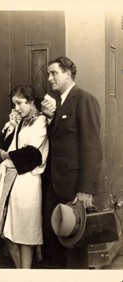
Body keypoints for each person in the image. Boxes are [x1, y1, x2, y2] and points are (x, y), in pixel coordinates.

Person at [41, 56, 103, 268]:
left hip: (74, 187)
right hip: (55, 185)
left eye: (54, 73)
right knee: (55, 238)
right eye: (49, 74)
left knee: (75, 243)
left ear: (68, 74)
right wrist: (50, 119)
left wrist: (86, 189)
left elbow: (92, 147)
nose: (49, 78)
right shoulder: (60, 103)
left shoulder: (84, 99)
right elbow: (59, 140)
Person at [0, 85, 48, 268]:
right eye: (14, 104)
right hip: (10, 180)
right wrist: (11, 127)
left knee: (25, 230)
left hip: (27, 182)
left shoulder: (40, 122)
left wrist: (8, 155)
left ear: (31, 102)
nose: (16, 108)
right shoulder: (20, 122)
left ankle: (26, 273)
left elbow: (32, 155)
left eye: (19, 103)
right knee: (7, 228)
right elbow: (1, 147)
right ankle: (19, 272)